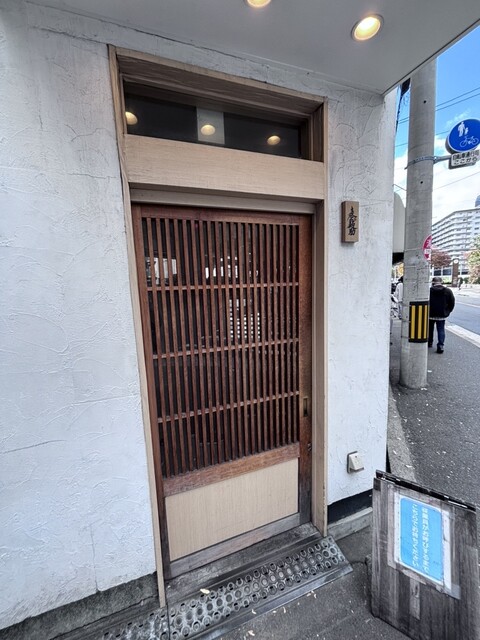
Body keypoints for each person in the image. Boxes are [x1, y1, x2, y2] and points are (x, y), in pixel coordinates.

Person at [428, 276, 455, 354]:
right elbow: (452, 302)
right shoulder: (448, 291)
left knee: (430, 329)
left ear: (433, 282)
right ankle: (440, 345)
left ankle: (429, 342)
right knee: (441, 329)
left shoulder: (429, 291)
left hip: (430, 314)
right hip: (442, 314)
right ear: (441, 282)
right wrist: (448, 311)